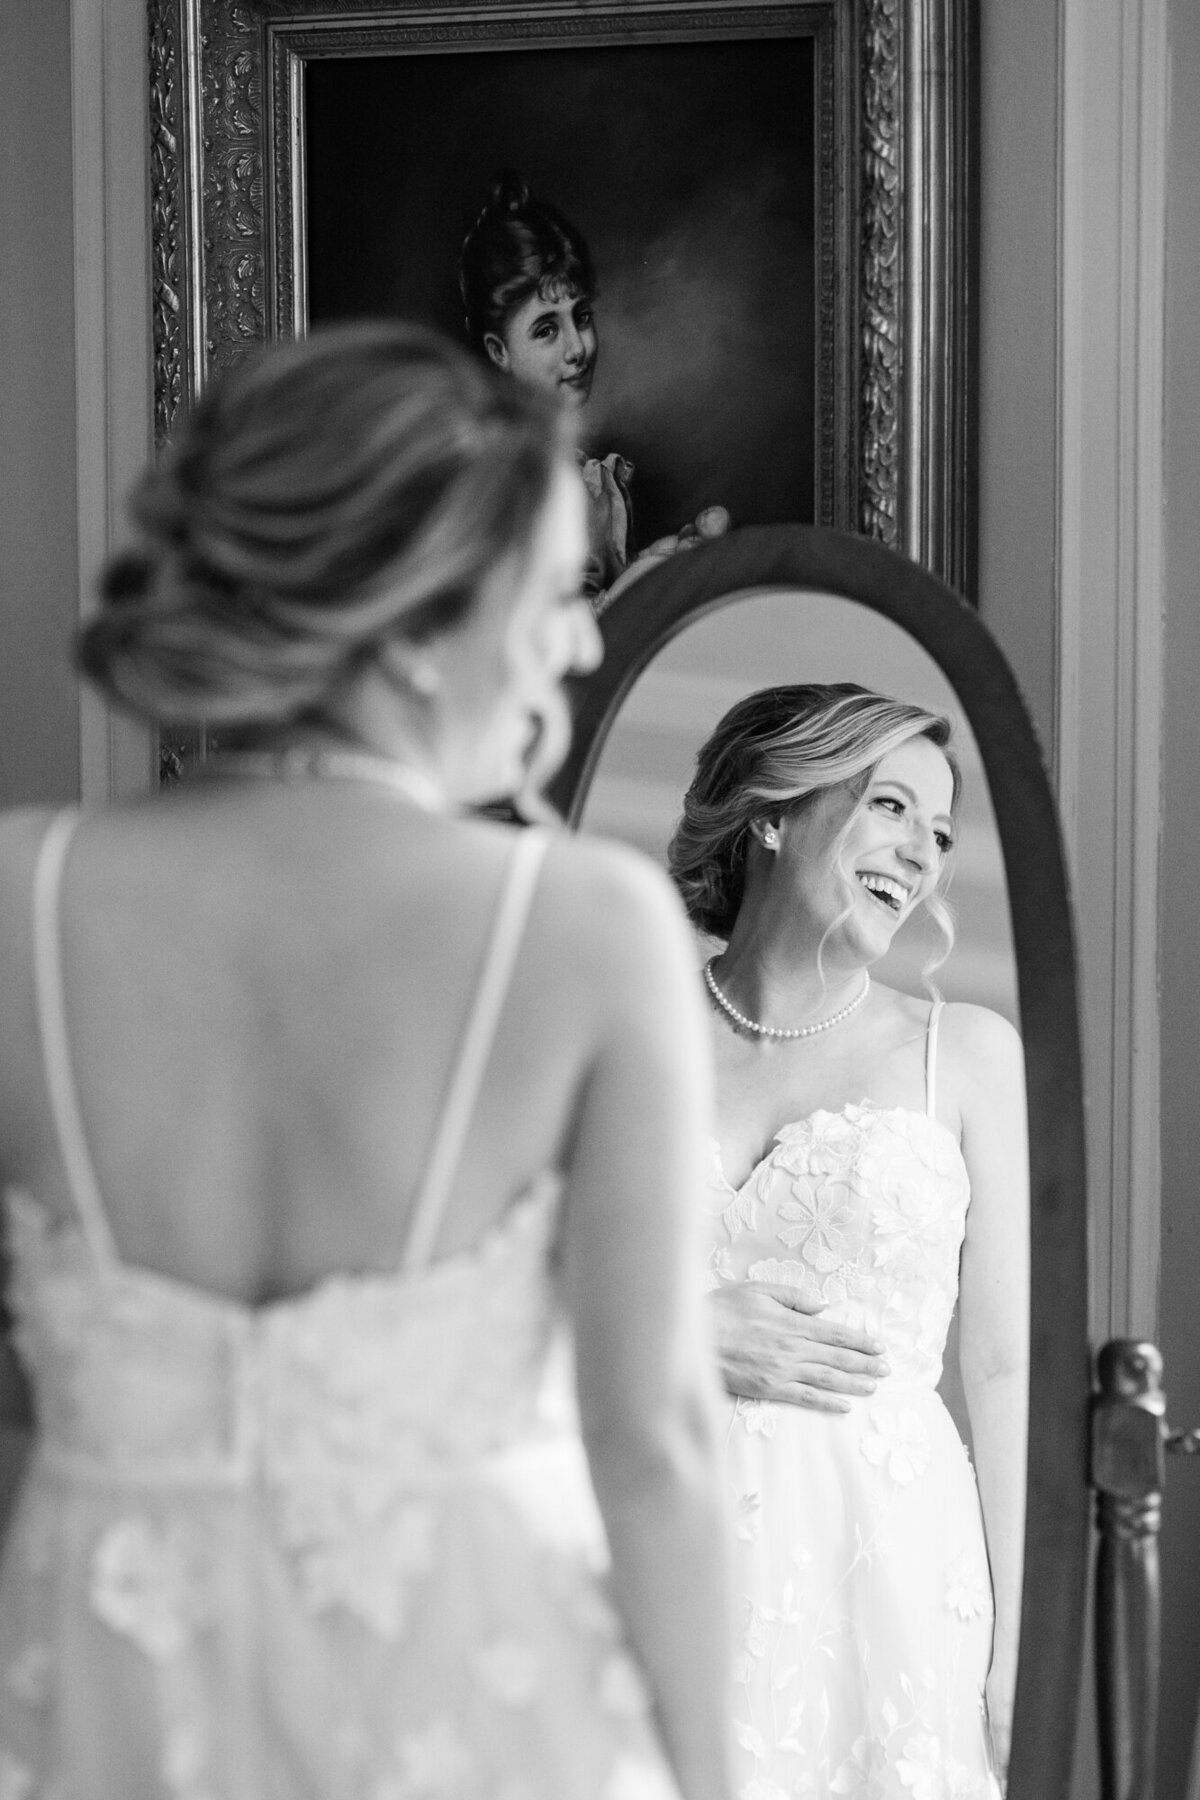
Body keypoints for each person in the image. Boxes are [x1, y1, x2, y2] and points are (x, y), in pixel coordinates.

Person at [0, 322, 734, 1800]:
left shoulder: (18, 901)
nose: (584, 639)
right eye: (549, 594)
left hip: (102, 1709)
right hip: (476, 1711)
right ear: (411, 624)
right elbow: (653, 1441)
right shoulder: (587, 927)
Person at [668, 684, 1029, 1799]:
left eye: (940, 832)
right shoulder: (629, 1028)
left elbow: (1006, 1370)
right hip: (649, 1534)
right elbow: (511, 1281)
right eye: (890, 806)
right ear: (774, 813)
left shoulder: (964, 1055)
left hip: (887, 1575)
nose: (922, 853)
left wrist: (1022, 1646)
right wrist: (670, 1335)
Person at [458, 170, 729, 615]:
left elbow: (594, 601)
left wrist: (654, 565)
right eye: (547, 330)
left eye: (581, 317)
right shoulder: (492, 485)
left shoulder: (591, 479)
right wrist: (636, 592)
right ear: (498, 350)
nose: (578, 348)